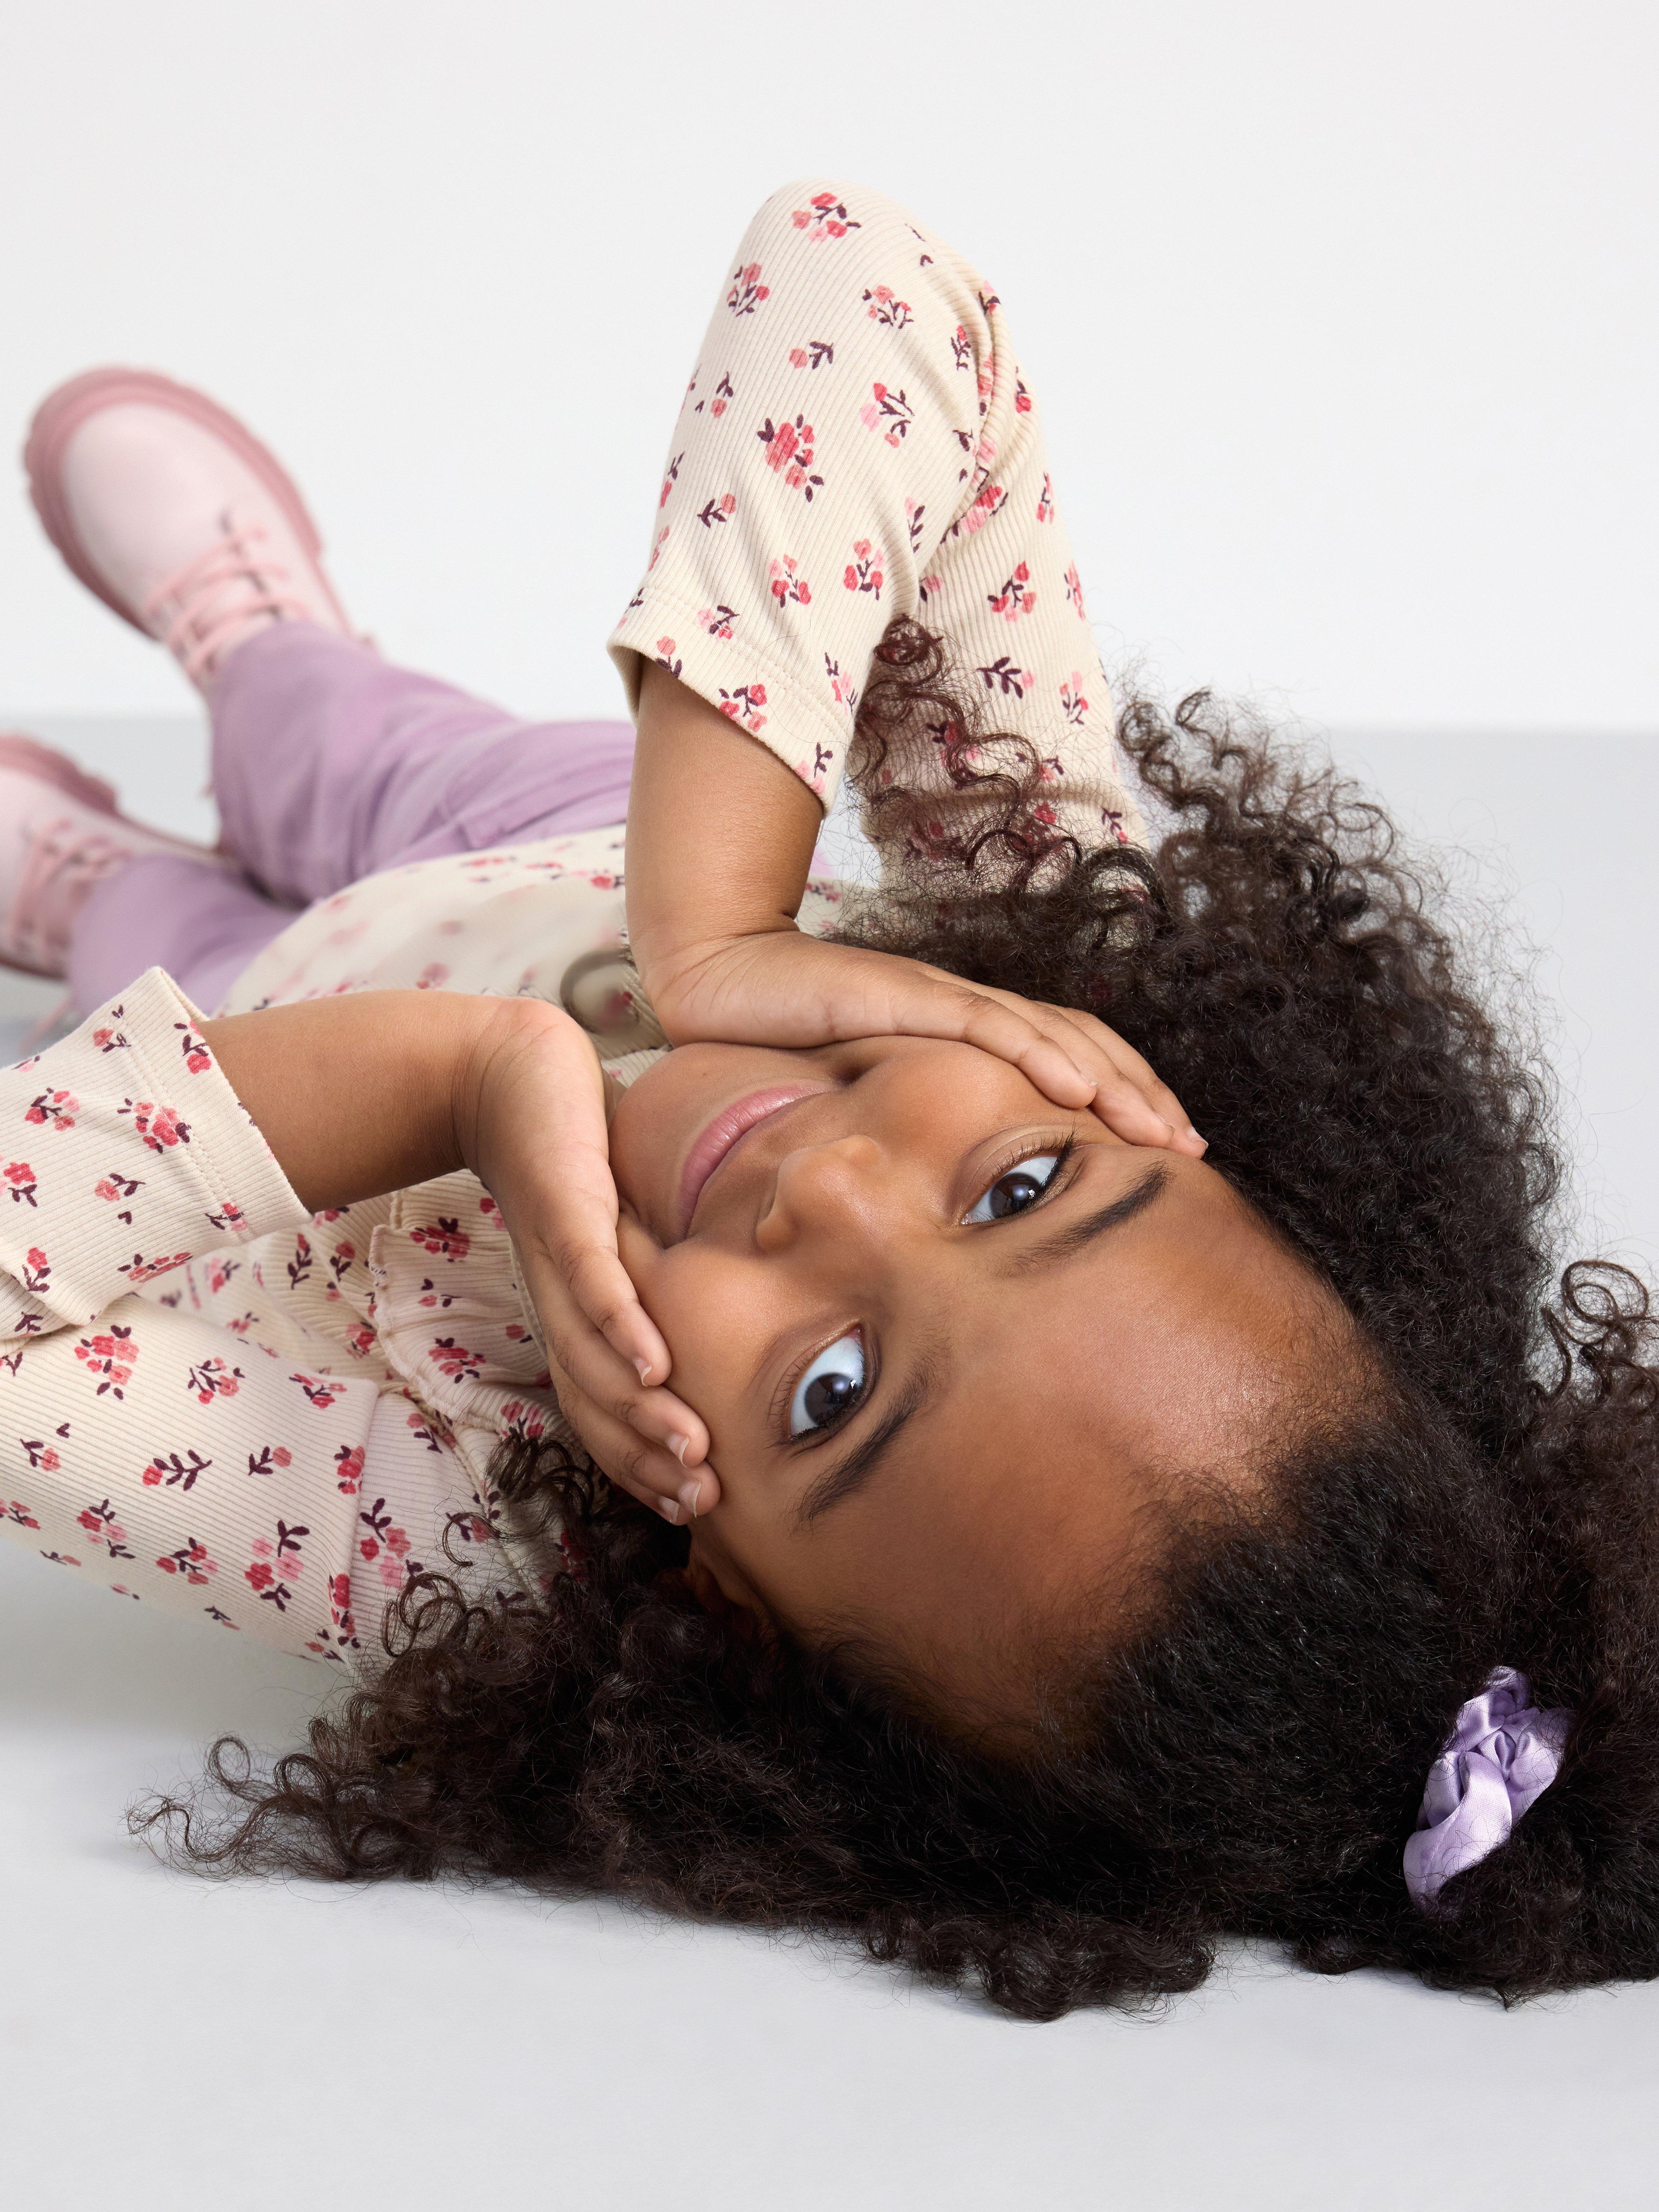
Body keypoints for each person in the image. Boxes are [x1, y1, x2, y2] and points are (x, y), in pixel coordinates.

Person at [2, 181, 1654, 2020]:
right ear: (1187, 1116)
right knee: (337, 729)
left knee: (142, 947)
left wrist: (463, 1075)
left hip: (255, 1067)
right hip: (523, 839)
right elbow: (862, 283)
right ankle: (259, 646)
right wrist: (709, 923)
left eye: (833, 1392)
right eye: (1025, 1189)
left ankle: (88, 886)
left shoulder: (468, 1535)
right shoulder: (1053, 974)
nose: (835, 1194)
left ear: (735, 1615)